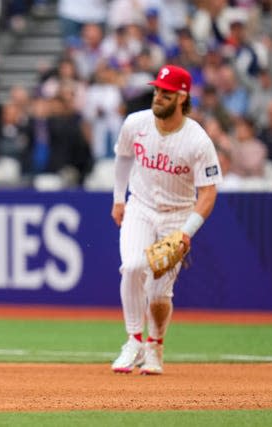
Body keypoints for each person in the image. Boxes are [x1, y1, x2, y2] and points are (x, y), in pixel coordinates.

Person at [110, 65, 222, 375]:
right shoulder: (136, 123)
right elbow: (123, 158)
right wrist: (119, 198)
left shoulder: (197, 140)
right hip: (141, 208)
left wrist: (187, 233)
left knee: (159, 294)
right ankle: (133, 340)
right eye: (157, 90)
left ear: (182, 96)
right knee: (132, 266)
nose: (158, 96)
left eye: (166, 92)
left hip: (177, 215)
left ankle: (155, 344)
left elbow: (208, 193)